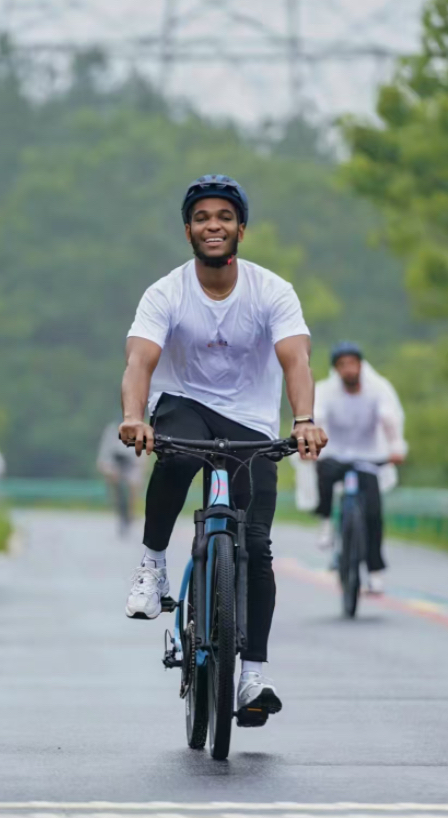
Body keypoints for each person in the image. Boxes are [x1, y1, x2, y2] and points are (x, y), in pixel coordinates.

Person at [118, 173, 327, 723]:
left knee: (255, 545)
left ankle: (252, 675)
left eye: (225, 217)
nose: (214, 226)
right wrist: (134, 417)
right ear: (188, 230)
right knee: (180, 455)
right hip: (184, 404)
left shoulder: (272, 291)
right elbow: (139, 361)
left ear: (241, 230)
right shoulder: (166, 293)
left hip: (251, 423)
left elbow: (296, 359)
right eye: (202, 218)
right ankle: (153, 565)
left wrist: (304, 420)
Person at [306, 341, 407, 594]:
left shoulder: (377, 390)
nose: (348, 369)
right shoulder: (326, 391)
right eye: (342, 365)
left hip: (368, 457)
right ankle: (326, 521)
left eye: (352, 363)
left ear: (361, 365)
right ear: (336, 369)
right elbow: (318, 417)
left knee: (373, 515)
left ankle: (375, 572)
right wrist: (311, 446)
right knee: (323, 473)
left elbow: (389, 419)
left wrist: (396, 447)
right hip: (335, 454)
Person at [96, 420, 145, 535]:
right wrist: (105, 465)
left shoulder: (139, 428)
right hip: (115, 461)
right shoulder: (113, 429)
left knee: (133, 485)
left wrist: (141, 467)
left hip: (132, 462)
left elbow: (142, 452)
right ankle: (118, 509)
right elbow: (106, 451)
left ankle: (131, 513)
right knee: (115, 484)